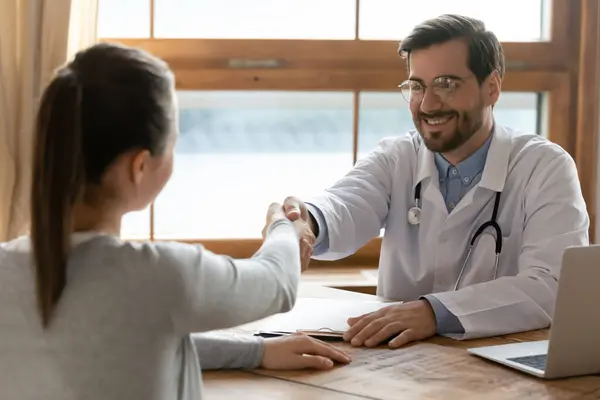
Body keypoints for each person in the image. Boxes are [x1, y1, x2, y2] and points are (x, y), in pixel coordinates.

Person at [0, 42, 351, 400]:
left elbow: (137, 338)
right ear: (139, 166)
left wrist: (256, 352)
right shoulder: (160, 276)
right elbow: (277, 283)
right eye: (172, 142)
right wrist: (283, 223)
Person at [281, 14, 589, 348]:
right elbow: (343, 206)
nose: (427, 104)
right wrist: (305, 221)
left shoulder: (545, 167)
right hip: (399, 366)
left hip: (499, 367)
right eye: (417, 86)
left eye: (446, 84)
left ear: (492, 87)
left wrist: (433, 312)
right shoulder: (396, 157)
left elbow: (553, 286)